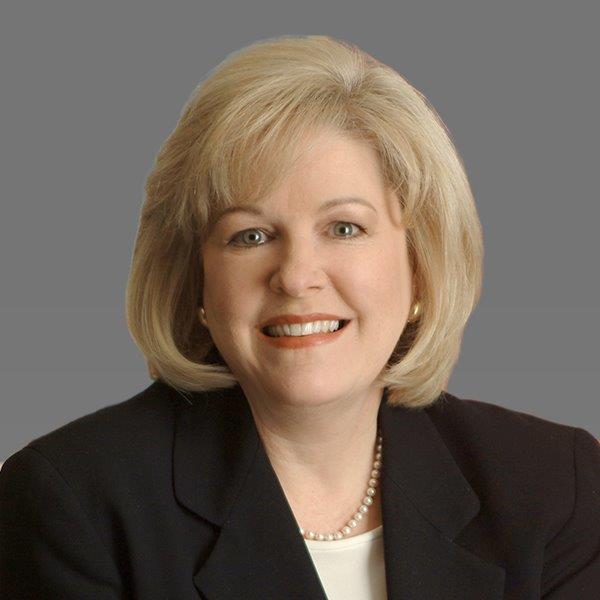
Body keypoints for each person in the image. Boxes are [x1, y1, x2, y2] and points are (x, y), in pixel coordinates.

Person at [1, 34, 598, 600]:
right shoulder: (74, 501)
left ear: (421, 266)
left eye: (344, 228)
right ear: (196, 282)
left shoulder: (554, 484)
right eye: (250, 235)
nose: (295, 276)